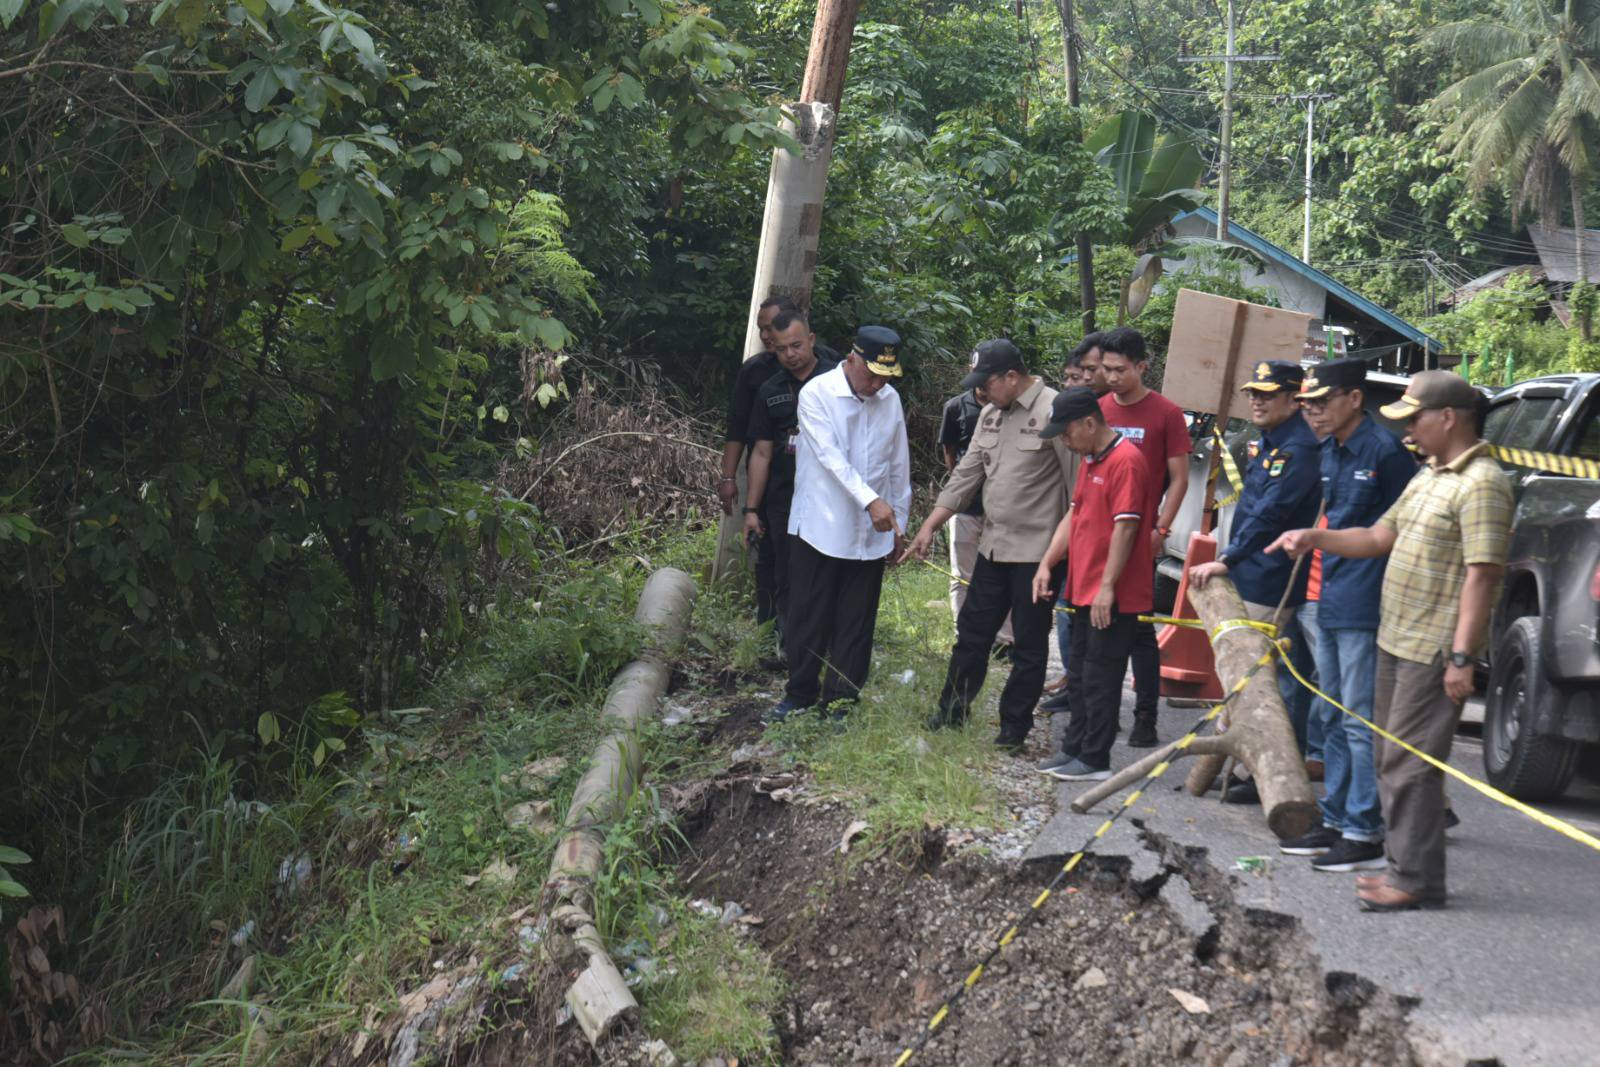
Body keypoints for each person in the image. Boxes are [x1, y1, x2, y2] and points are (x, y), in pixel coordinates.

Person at [1268, 371, 1511, 911]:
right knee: (1388, 757)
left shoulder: (1483, 483)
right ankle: (1405, 869)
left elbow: (1483, 575)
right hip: (1396, 637)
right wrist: (1315, 536)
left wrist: (1461, 657)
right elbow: (1379, 536)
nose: (1409, 431)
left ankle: (1413, 878)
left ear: (1447, 418)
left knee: (1411, 766)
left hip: (1433, 648)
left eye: (1415, 419)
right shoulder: (1429, 475)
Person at [1271, 359, 1417, 872]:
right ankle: (1335, 818)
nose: (1313, 412)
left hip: (1365, 603)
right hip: (1328, 596)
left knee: (1358, 720)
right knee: (1330, 714)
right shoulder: (1329, 449)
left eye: (1322, 401)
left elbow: (1398, 533)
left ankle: (1364, 829)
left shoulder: (1386, 452)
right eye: (1307, 404)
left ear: (1355, 399)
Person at [903, 340, 1075, 751]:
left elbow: (1078, 490)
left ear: (1011, 377)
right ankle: (950, 713)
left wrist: (1064, 555)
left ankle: (1013, 731)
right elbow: (965, 476)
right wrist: (928, 527)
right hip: (992, 548)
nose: (981, 391)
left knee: (1028, 647)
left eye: (987, 382)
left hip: (1038, 555)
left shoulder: (1055, 409)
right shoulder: (991, 415)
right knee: (972, 634)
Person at [772, 326, 912, 721]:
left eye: (886, 377)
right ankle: (800, 693)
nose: (878, 385)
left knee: (857, 619)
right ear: (851, 359)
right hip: (821, 527)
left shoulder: (890, 399)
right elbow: (831, 459)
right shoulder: (816, 394)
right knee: (809, 616)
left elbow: (898, 465)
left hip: (872, 532)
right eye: (872, 375)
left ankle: (841, 700)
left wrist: (899, 522)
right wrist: (871, 501)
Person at [1188, 360, 1323, 753]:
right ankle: (1242, 760)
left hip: (1271, 580)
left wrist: (1227, 558)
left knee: (1252, 677)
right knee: (1247, 673)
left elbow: (1271, 514)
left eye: (1267, 395)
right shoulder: (1271, 440)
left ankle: (1257, 764)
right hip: (1251, 573)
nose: (1256, 402)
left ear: (1294, 399)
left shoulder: (1299, 448)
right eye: (1253, 394)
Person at [1032, 387, 1157, 780]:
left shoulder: (1126, 461)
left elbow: (1127, 527)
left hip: (1113, 594)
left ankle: (1095, 758)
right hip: (1083, 587)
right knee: (1081, 674)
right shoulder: (1091, 459)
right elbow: (1075, 514)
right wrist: (1047, 562)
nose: (1065, 442)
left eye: (1066, 433)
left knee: (1102, 676)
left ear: (1089, 423)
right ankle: (1074, 748)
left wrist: (1107, 587)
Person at [718, 297, 838, 635]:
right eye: (764, 331)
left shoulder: (835, 373)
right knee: (775, 565)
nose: (768, 337)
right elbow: (746, 436)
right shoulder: (760, 377)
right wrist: (737, 489)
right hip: (780, 489)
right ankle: (775, 637)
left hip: (829, 492)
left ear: (808, 339)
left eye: (773, 328)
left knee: (822, 567)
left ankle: (819, 637)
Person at [1096, 327, 1190, 747]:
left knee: (1137, 630)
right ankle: (1103, 715)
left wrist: (1161, 530)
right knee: (1099, 628)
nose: (1113, 377)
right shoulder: (1099, 409)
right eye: (1107, 369)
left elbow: (1180, 478)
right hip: (1100, 539)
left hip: (1141, 539)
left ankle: (1145, 717)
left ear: (1142, 367)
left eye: (1120, 370)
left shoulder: (1165, 413)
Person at [1040, 332, 1107, 711]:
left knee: (1106, 640)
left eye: (1084, 373)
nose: (1075, 381)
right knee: (1070, 618)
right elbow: (1076, 502)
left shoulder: (1114, 448)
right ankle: (1074, 685)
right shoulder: (1083, 441)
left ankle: (1093, 707)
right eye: (1070, 375)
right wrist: (1049, 559)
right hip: (1076, 540)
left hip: (1106, 553)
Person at [936, 359, 1014, 648]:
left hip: (1003, 506)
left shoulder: (1010, 407)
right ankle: (965, 634)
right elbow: (949, 450)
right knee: (962, 574)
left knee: (1006, 572)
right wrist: (960, 488)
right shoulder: (955, 406)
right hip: (966, 505)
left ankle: (1005, 640)